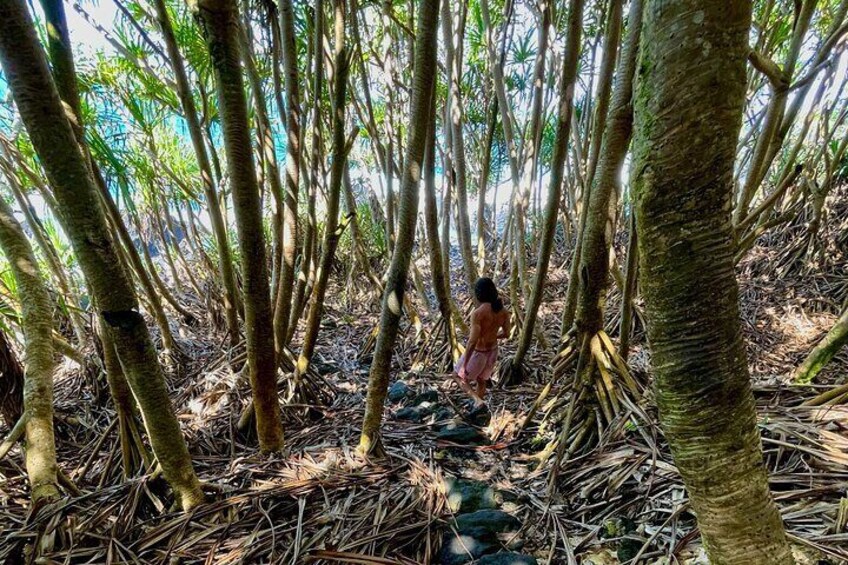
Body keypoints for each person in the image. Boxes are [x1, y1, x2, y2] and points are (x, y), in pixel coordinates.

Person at [454, 277, 510, 412]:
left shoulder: (478, 313)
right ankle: (477, 409)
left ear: (478, 294)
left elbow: (472, 341)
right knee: (481, 380)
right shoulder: (503, 311)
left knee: (457, 376)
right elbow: (507, 334)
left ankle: (477, 400)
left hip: (479, 353)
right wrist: (492, 336)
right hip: (493, 351)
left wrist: (465, 364)